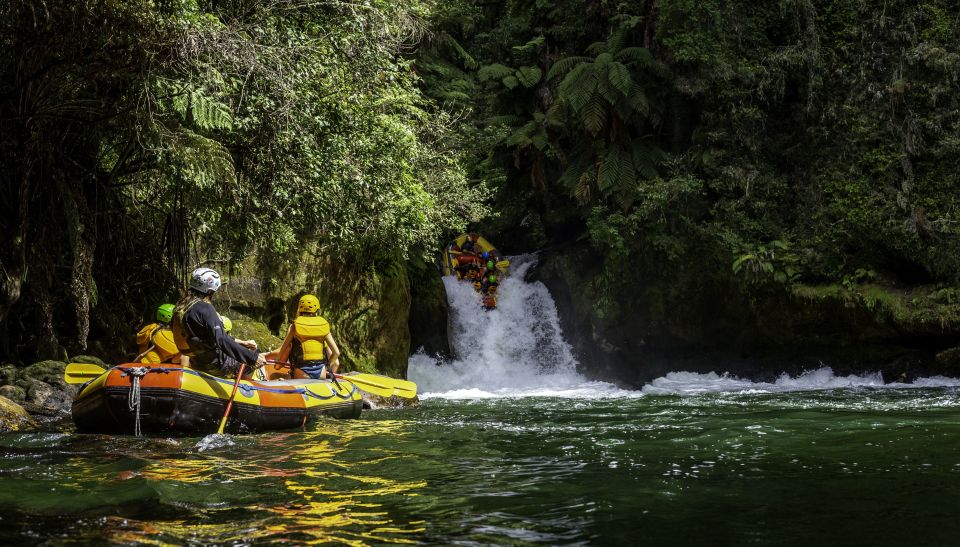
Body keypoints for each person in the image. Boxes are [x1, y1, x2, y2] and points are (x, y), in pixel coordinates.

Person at [171, 267, 265, 377]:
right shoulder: (205, 308)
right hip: (217, 365)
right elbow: (221, 340)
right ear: (210, 291)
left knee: (245, 350)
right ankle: (249, 388)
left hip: (197, 362)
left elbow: (206, 337)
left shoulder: (181, 306)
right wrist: (253, 358)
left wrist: (243, 343)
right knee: (254, 353)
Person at [265, 294, 341, 380]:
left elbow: (284, 348)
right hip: (321, 374)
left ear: (299, 309)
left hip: (302, 374)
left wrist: (277, 365)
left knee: (273, 376)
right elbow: (336, 353)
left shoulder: (294, 326)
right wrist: (326, 368)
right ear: (316, 310)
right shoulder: (323, 326)